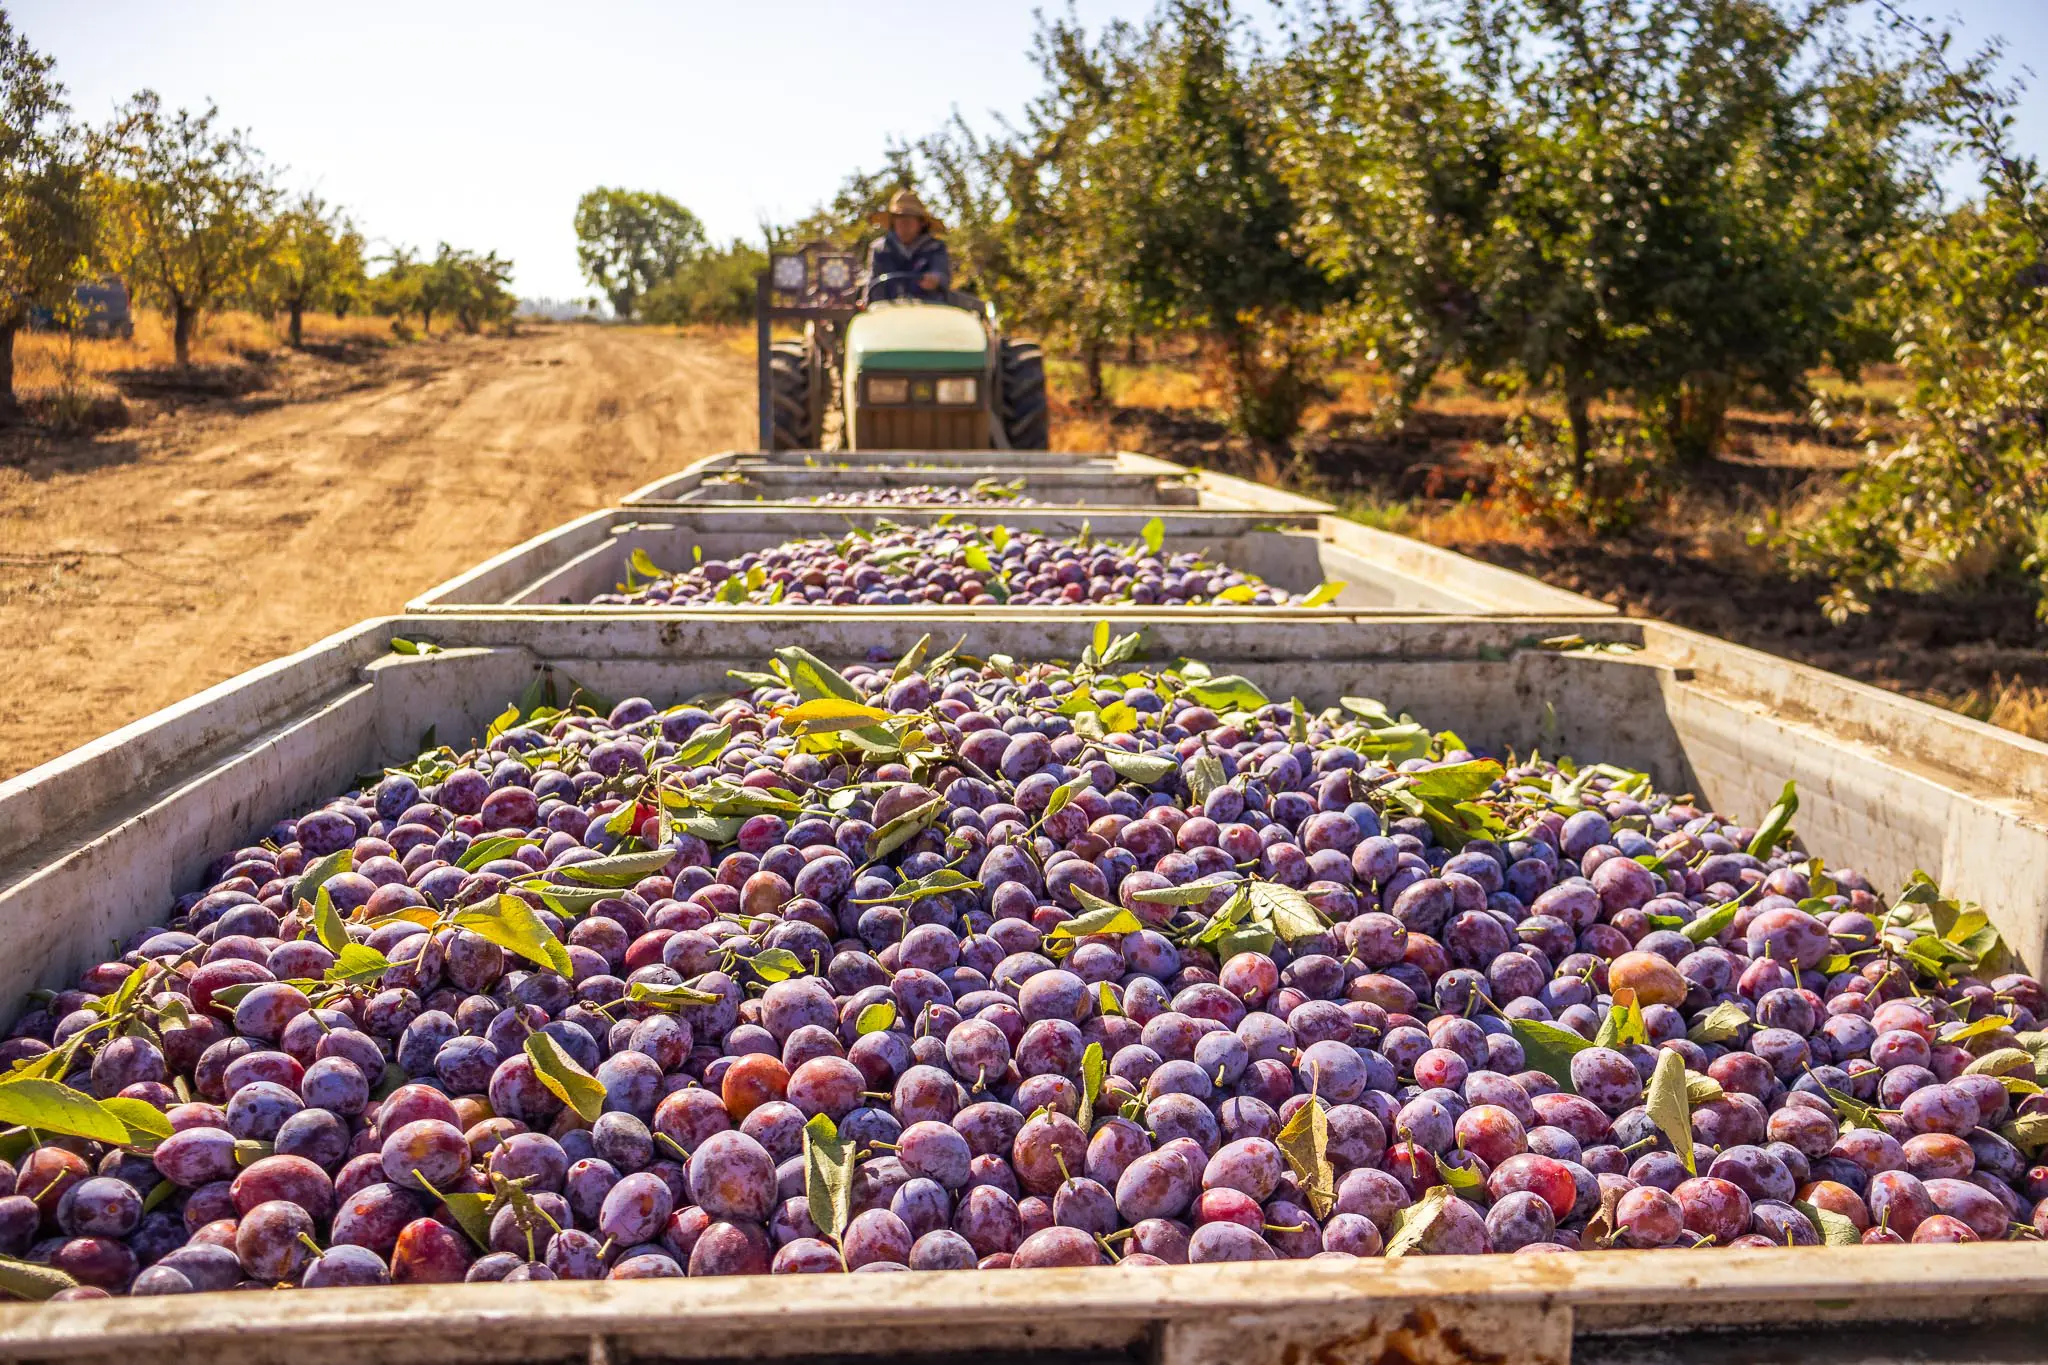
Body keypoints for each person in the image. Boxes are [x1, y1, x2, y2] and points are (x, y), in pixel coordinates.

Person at [864, 189, 951, 303]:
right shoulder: (880, 248)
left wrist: (935, 279)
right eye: (900, 220)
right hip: (887, 311)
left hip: (927, 310)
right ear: (893, 222)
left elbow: (942, 274)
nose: (904, 225)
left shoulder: (935, 247)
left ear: (921, 223)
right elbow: (873, 282)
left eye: (909, 220)